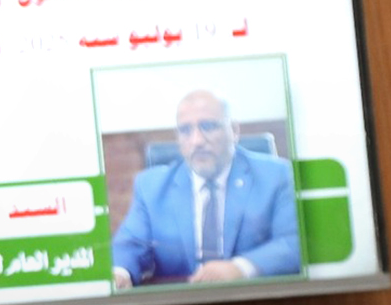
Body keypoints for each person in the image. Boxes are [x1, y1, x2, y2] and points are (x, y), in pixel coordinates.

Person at [110, 89, 300, 290]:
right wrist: (121, 272)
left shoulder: (276, 176)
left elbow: (293, 242)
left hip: (253, 298)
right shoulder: (152, 186)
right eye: (185, 130)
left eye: (208, 126)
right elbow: (129, 245)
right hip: (179, 303)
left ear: (234, 131)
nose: (197, 141)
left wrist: (240, 268)